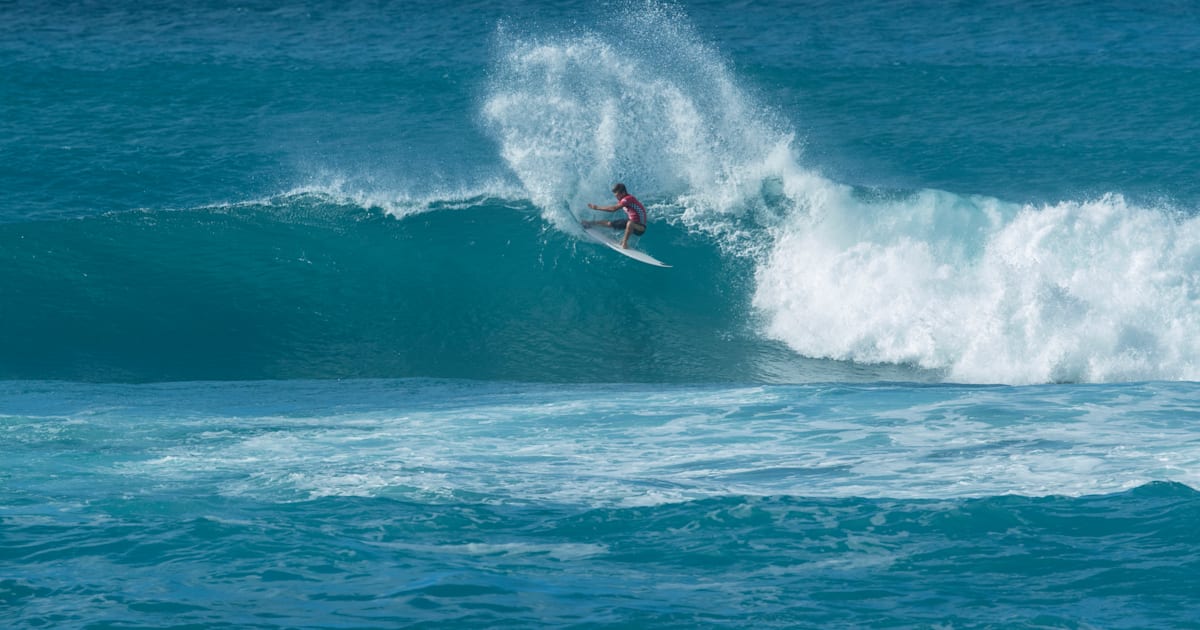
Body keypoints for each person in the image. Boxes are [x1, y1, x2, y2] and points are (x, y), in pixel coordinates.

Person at [583, 182, 647, 249]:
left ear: (623, 193)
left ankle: (624, 243)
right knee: (609, 223)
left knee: (630, 223)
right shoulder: (623, 200)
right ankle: (589, 223)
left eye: (617, 195)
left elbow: (613, 209)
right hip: (631, 222)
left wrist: (597, 207)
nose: (616, 197)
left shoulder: (628, 198)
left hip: (641, 228)